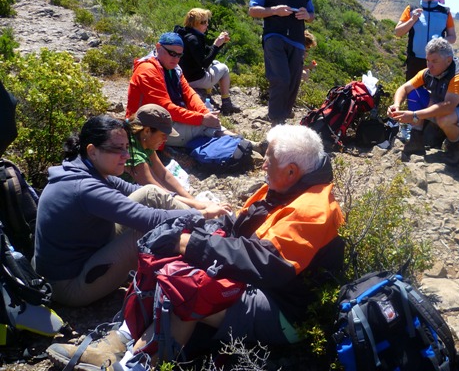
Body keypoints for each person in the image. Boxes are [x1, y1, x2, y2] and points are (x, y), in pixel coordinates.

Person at [46, 124, 345, 368]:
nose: (263, 164)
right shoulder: (285, 186)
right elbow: (239, 225)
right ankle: (123, 338)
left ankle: (136, 362)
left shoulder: (312, 209)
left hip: (283, 306)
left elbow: (267, 265)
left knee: (188, 289)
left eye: (270, 160)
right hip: (260, 282)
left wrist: (189, 243)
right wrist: (198, 228)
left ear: (292, 171)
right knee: (172, 263)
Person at [34, 115, 230, 307]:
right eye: (117, 149)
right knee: (146, 234)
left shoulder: (87, 168)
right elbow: (150, 219)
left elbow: (140, 192)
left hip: (89, 252)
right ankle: (210, 251)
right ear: (92, 151)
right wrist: (202, 215)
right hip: (69, 285)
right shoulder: (85, 187)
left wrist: (199, 206)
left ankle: (210, 232)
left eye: (127, 148)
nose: (126, 156)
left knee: (150, 192)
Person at [388, 37, 459, 165]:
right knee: (414, 93)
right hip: (449, 110)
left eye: (434, 61)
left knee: (444, 118)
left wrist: (414, 115)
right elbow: (405, 88)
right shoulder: (429, 72)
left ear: (448, 60)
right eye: (428, 60)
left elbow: (448, 107)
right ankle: (416, 138)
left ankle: (455, 147)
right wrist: (396, 104)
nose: (429, 65)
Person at [126, 32, 234, 148]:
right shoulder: (147, 71)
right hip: (146, 128)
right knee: (206, 126)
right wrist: (202, 119)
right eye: (172, 53)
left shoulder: (174, 69)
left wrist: (205, 113)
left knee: (208, 116)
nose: (176, 58)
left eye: (179, 55)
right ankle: (241, 142)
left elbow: (189, 94)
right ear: (158, 47)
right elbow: (165, 108)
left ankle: (240, 142)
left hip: (164, 119)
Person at [249, 0, 315, 125]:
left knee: (293, 83)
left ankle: (282, 120)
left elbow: (312, 14)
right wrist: (273, 10)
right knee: (280, 78)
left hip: (297, 40)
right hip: (274, 36)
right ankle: (276, 123)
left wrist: (306, 15)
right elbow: (253, 10)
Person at [122, 104, 210, 210]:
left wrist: (192, 201)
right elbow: (159, 192)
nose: (166, 140)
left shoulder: (143, 140)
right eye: (163, 135)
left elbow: (164, 175)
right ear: (147, 131)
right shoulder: (132, 153)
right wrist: (199, 207)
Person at [174, 8, 241, 116]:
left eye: (207, 21)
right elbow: (204, 63)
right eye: (203, 22)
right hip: (194, 79)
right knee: (224, 68)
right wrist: (216, 45)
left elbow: (206, 53)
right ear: (195, 24)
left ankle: (208, 95)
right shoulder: (194, 39)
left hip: (184, 76)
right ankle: (226, 102)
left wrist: (220, 43)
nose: (207, 25)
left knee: (216, 63)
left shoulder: (185, 34)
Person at [395, 0, 456, 81]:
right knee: (414, 96)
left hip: (437, 62)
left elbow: (452, 37)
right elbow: (398, 32)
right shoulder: (411, 9)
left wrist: (440, 41)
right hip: (415, 61)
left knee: (435, 96)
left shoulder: (445, 12)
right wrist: (412, 19)